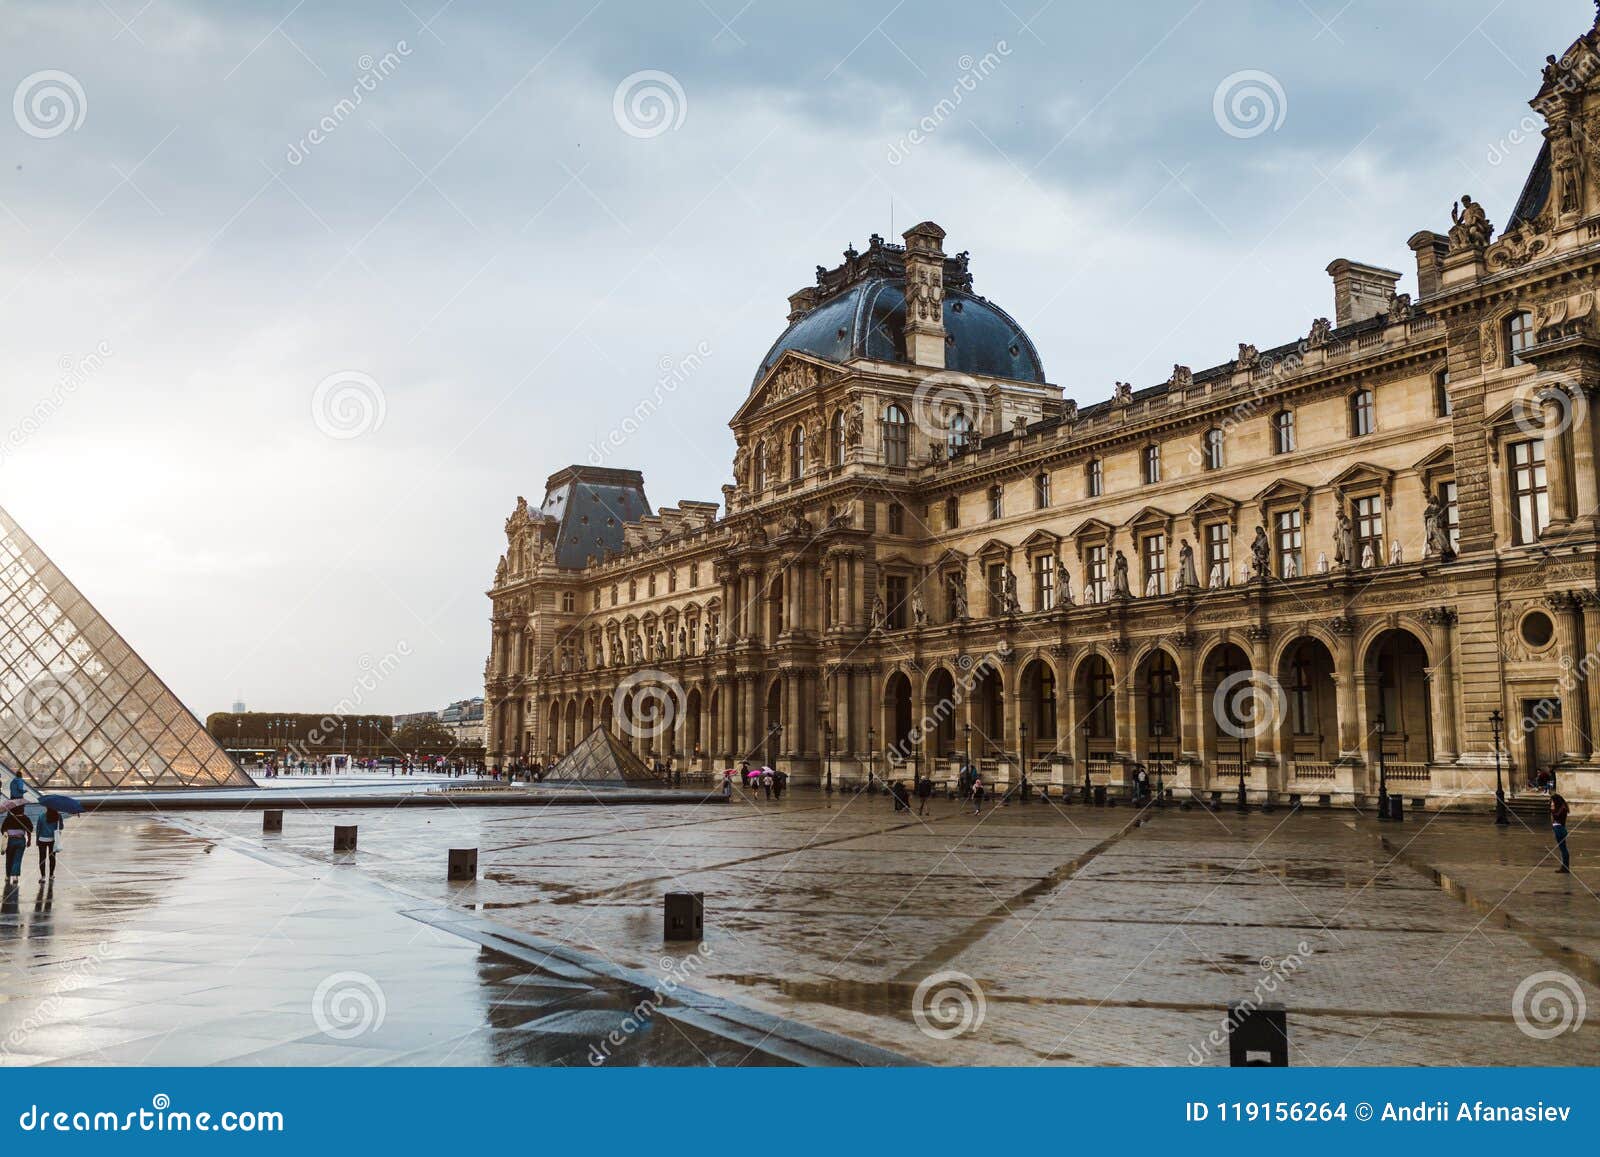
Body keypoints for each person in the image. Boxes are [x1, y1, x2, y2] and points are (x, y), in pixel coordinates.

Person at [2, 807, 31, 886]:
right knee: (17, 859)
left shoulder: (8, 818)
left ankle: (7, 876)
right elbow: (29, 830)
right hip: (20, 840)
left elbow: (3, 829)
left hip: (10, 840)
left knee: (9, 858)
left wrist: (6, 833)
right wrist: (29, 840)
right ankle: (15, 876)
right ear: (21, 810)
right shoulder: (25, 818)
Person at [35, 807, 61, 879]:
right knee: (52, 858)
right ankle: (51, 875)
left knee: (42, 858)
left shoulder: (41, 816)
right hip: (52, 840)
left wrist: (37, 840)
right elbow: (61, 827)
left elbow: (38, 829)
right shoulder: (57, 816)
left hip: (42, 839)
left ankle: (43, 876)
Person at [1552, 791, 1572, 874]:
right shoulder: (1562, 807)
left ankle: (1565, 867)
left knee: (1563, 849)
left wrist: (1552, 810)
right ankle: (1564, 866)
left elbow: (1556, 816)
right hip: (1559, 829)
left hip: (1560, 829)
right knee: (1563, 849)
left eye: (1553, 801)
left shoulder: (1562, 808)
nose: (1552, 803)